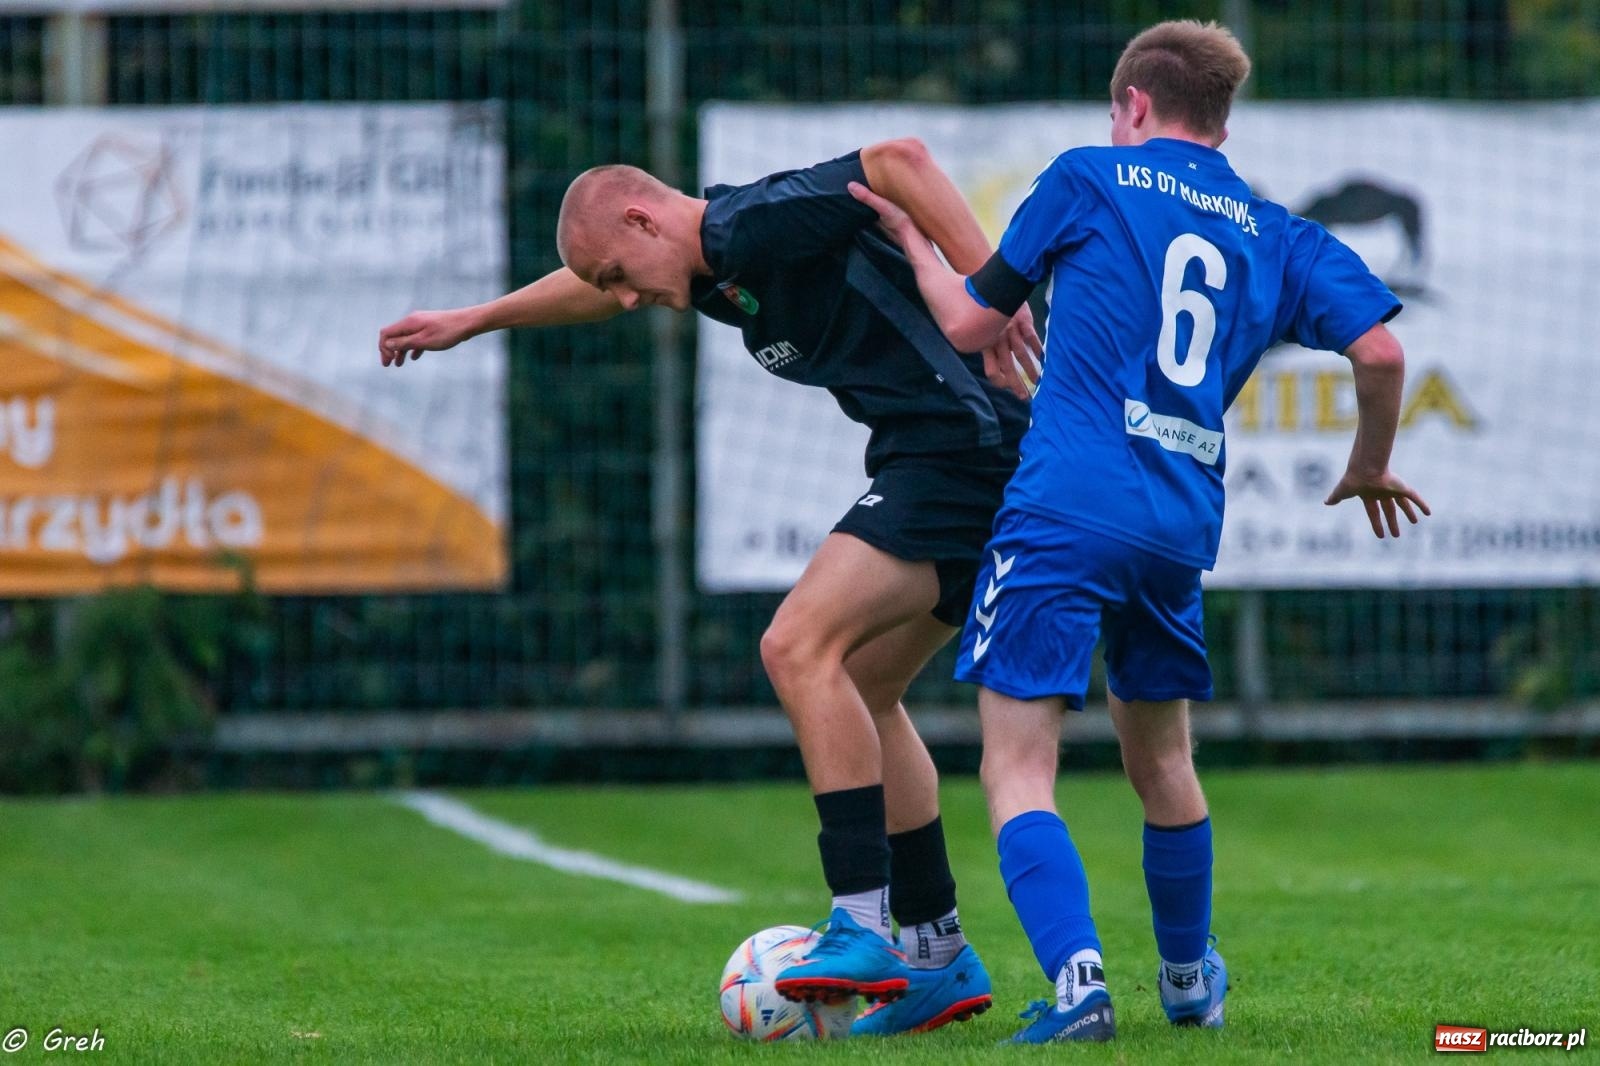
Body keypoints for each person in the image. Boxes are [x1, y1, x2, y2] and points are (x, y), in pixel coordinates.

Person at [849, 19, 1430, 1044]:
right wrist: (1369, 461)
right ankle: (1185, 980)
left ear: (1132, 105)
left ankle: (1079, 984)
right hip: (1178, 521)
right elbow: (1379, 352)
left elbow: (973, 327)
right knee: (1161, 760)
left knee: (1018, 763)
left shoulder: (1089, 177)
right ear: (1218, 113)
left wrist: (909, 238)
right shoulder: (1273, 229)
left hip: (1065, 504)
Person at [378, 141, 1042, 1035]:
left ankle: (859, 923)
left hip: (962, 449)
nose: (620, 298)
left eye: (620, 271)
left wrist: (990, 292)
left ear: (648, 219)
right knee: (867, 687)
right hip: (950, 452)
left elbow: (899, 159)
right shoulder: (705, 268)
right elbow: (590, 281)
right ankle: (934, 953)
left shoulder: (750, 220)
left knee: (795, 646)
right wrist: (476, 317)